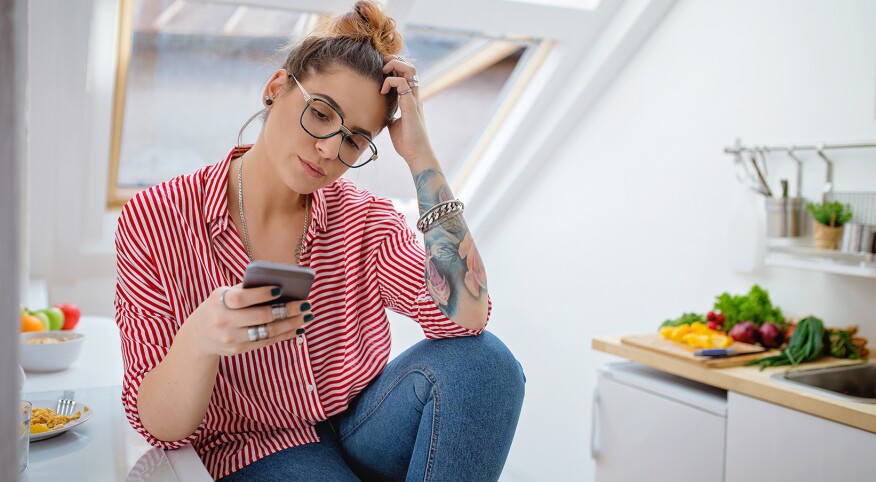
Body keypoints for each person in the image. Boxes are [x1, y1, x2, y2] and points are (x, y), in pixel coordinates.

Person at [114, 1, 525, 480]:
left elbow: (467, 317)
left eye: (354, 139)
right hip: (255, 449)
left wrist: (420, 156)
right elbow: (163, 430)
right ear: (276, 89)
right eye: (322, 113)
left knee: (488, 366)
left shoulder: (363, 218)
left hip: (359, 428)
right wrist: (202, 338)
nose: (330, 148)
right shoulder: (156, 219)